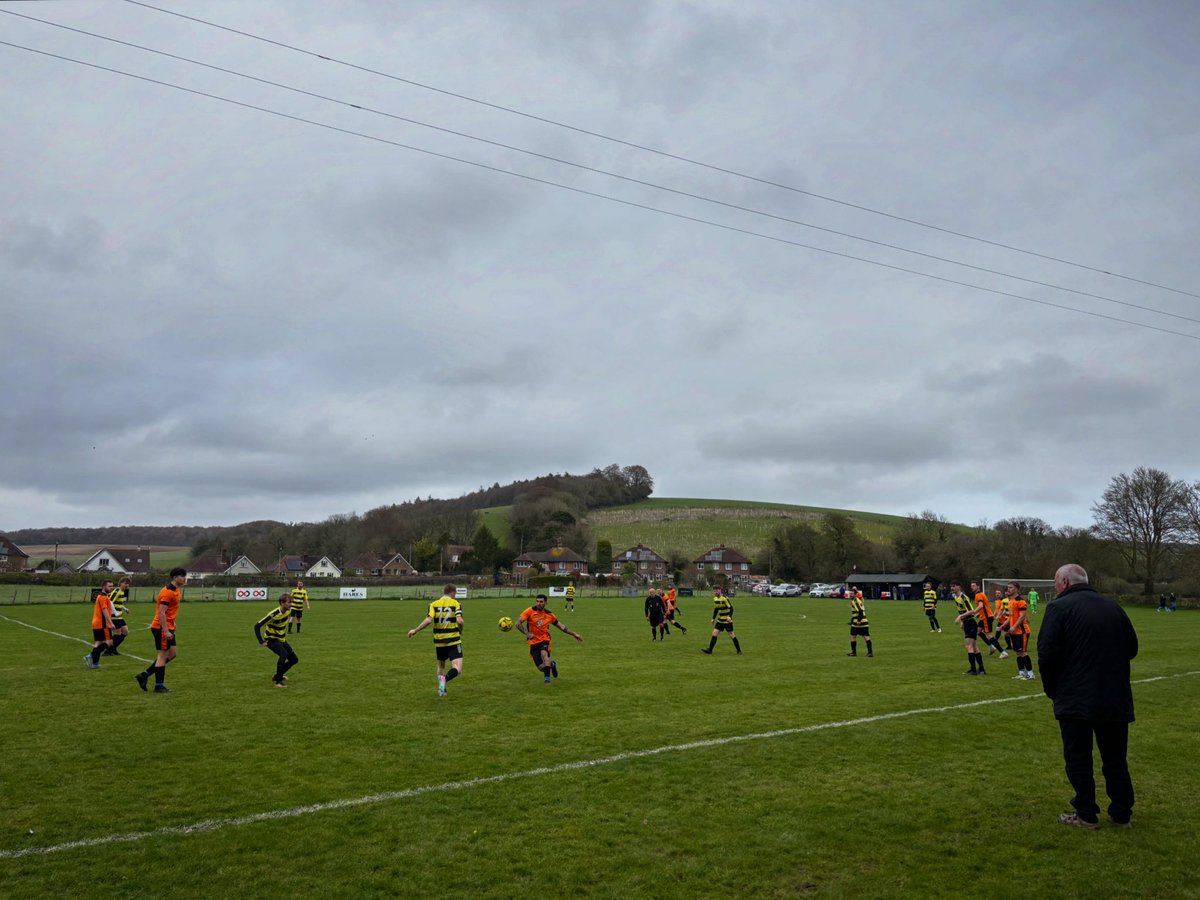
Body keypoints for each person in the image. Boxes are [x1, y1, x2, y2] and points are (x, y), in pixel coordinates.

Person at [1037, 563, 1138, 830]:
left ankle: (1086, 813)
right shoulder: (1113, 607)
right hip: (1114, 697)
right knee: (1116, 759)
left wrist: (1052, 690)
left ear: (1064, 583)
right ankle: (1121, 814)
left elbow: (1047, 653)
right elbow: (1132, 648)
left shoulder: (1059, 608)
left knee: (1078, 757)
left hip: (1075, 698)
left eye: (1056, 583)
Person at [135, 567, 188, 693]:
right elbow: (161, 613)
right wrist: (166, 630)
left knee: (173, 654)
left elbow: (169, 611)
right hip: (161, 628)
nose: (184, 578)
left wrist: (172, 622)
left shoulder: (177, 590)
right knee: (162, 656)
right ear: (175, 577)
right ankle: (159, 686)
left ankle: (145, 675)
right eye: (182, 576)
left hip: (168, 626)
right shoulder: (168, 592)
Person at [408, 583, 465, 697]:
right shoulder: (456, 603)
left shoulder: (433, 604)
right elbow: (460, 621)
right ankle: (445, 679)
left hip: (439, 641)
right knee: (457, 668)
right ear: (452, 592)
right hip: (453, 640)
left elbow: (429, 620)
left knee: (441, 666)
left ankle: (442, 690)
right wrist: (461, 630)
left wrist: (416, 630)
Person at [516, 593, 582, 684]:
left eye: (541, 602)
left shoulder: (550, 615)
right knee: (541, 667)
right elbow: (518, 623)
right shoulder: (529, 611)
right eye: (537, 601)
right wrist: (527, 633)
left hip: (545, 639)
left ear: (546, 603)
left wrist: (574, 634)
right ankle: (552, 665)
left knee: (545, 655)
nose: (539, 603)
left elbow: (562, 627)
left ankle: (547, 680)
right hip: (533, 642)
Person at [255, 593, 299, 687]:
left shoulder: (288, 611)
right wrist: (261, 641)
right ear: (281, 603)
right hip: (271, 639)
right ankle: (278, 682)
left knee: (294, 659)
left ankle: (277, 676)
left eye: (291, 602)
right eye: (288, 602)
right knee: (283, 654)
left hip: (281, 639)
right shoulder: (273, 614)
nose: (291, 604)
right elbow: (257, 626)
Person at [1000, 581, 1035, 680]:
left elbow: (1022, 616)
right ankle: (1021, 673)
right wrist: (1003, 626)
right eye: (1008, 587)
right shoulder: (1010, 602)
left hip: (1022, 631)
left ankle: (1031, 674)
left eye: (1010, 587)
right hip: (1014, 631)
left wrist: (1014, 626)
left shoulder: (1021, 601)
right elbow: (1010, 617)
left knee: (1023, 652)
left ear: (1016, 589)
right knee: (1017, 652)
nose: (1008, 589)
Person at [951, 581, 986, 675]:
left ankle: (973, 670)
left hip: (971, 623)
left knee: (969, 646)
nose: (952, 588)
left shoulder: (963, 597)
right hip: (967, 622)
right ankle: (981, 669)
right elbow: (962, 611)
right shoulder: (955, 597)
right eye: (951, 586)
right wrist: (963, 621)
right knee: (974, 646)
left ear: (959, 587)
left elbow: (971, 611)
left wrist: (960, 617)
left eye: (954, 586)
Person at [970, 580, 1008, 658]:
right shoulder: (981, 594)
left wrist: (973, 612)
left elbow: (981, 606)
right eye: (971, 586)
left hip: (986, 618)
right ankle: (991, 647)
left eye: (974, 585)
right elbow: (986, 606)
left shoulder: (978, 595)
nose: (972, 587)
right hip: (984, 617)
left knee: (989, 636)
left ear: (978, 586)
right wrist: (979, 613)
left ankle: (1003, 652)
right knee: (978, 631)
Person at [84, 579, 117, 669]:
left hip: (96, 623)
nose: (111, 588)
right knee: (109, 643)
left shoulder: (100, 596)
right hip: (102, 624)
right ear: (103, 587)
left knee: (98, 643)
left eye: (112, 586)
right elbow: (104, 610)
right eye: (109, 586)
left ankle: (95, 663)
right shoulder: (103, 597)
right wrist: (111, 623)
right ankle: (91, 655)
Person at [701, 586, 741, 655]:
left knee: (732, 635)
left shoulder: (725, 598)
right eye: (714, 591)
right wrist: (713, 618)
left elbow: (731, 608)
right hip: (720, 620)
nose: (715, 592)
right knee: (714, 633)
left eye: (717, 590)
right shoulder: (715, 599)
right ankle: (710, 650)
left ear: (720, 590)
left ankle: (739, 651)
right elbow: (716, 609)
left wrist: (730, 617)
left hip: (727, 621)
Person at [103, 576, 132, 656]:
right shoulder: (117, 591)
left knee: (125, 632)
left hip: (119, 616)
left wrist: (125, 609)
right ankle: (108, 651)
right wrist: (115, 612)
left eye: (128, 584)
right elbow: (110, 602)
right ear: (121, 583)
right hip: (114, 616)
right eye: (125, 583)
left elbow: (118, 603)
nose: (127, 585)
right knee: (118, 634)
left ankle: (113, 648)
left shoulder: (122, 592)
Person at [847, 589, 873, 657]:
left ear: (855, 594)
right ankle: (870, 653)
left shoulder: (855, 601)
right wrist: (851, 621)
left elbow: (860, 611)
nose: (850, 594)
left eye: (852, 593)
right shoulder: (858, 600)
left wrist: (859, 620)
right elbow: (856, 612)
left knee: (853, 636)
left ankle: (853, 652)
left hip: (858, 622)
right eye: (850, 593)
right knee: (866, 636)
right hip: (864, 622)